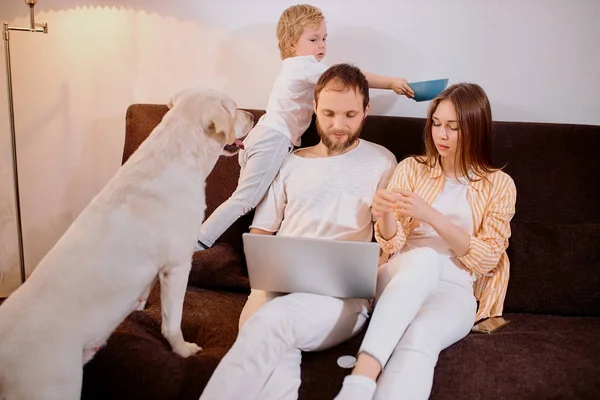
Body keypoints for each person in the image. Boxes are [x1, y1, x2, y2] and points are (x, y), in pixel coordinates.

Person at [199, 63, 397, 400]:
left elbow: (391, 247)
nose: (338, 125)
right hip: (275, 289)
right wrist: (268, 271)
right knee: (276, 347)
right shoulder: (289, 163)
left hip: (341, 301)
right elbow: (260, 234)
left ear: (366, 110)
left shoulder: (383, 162)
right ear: (315, 108)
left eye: (350, 115)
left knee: (271, 323)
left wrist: (384, 230)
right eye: (329, 113)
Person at [334, 83, 517, 400]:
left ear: (475, 129)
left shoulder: (499, 185)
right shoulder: (412, 169)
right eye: (436, 123)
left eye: (452, 127)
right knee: (424, 259)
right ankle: (358, 385)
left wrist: (432, 215)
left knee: (421, 336)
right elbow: (392, 245)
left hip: (455, 286)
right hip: (400, 275)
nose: (440, 135)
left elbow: (488, 259)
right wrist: (385, 215)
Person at [195, 4, 413, 250]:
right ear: (290, 44)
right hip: (273, 139)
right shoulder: (302, 65)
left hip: (262, 136)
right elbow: (349, 78)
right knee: (244, 200)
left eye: (324, 39)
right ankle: (200, 240)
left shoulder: (296, 68)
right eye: (313, 39)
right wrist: (391, 82)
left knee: (243, 197)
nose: (321, 45)